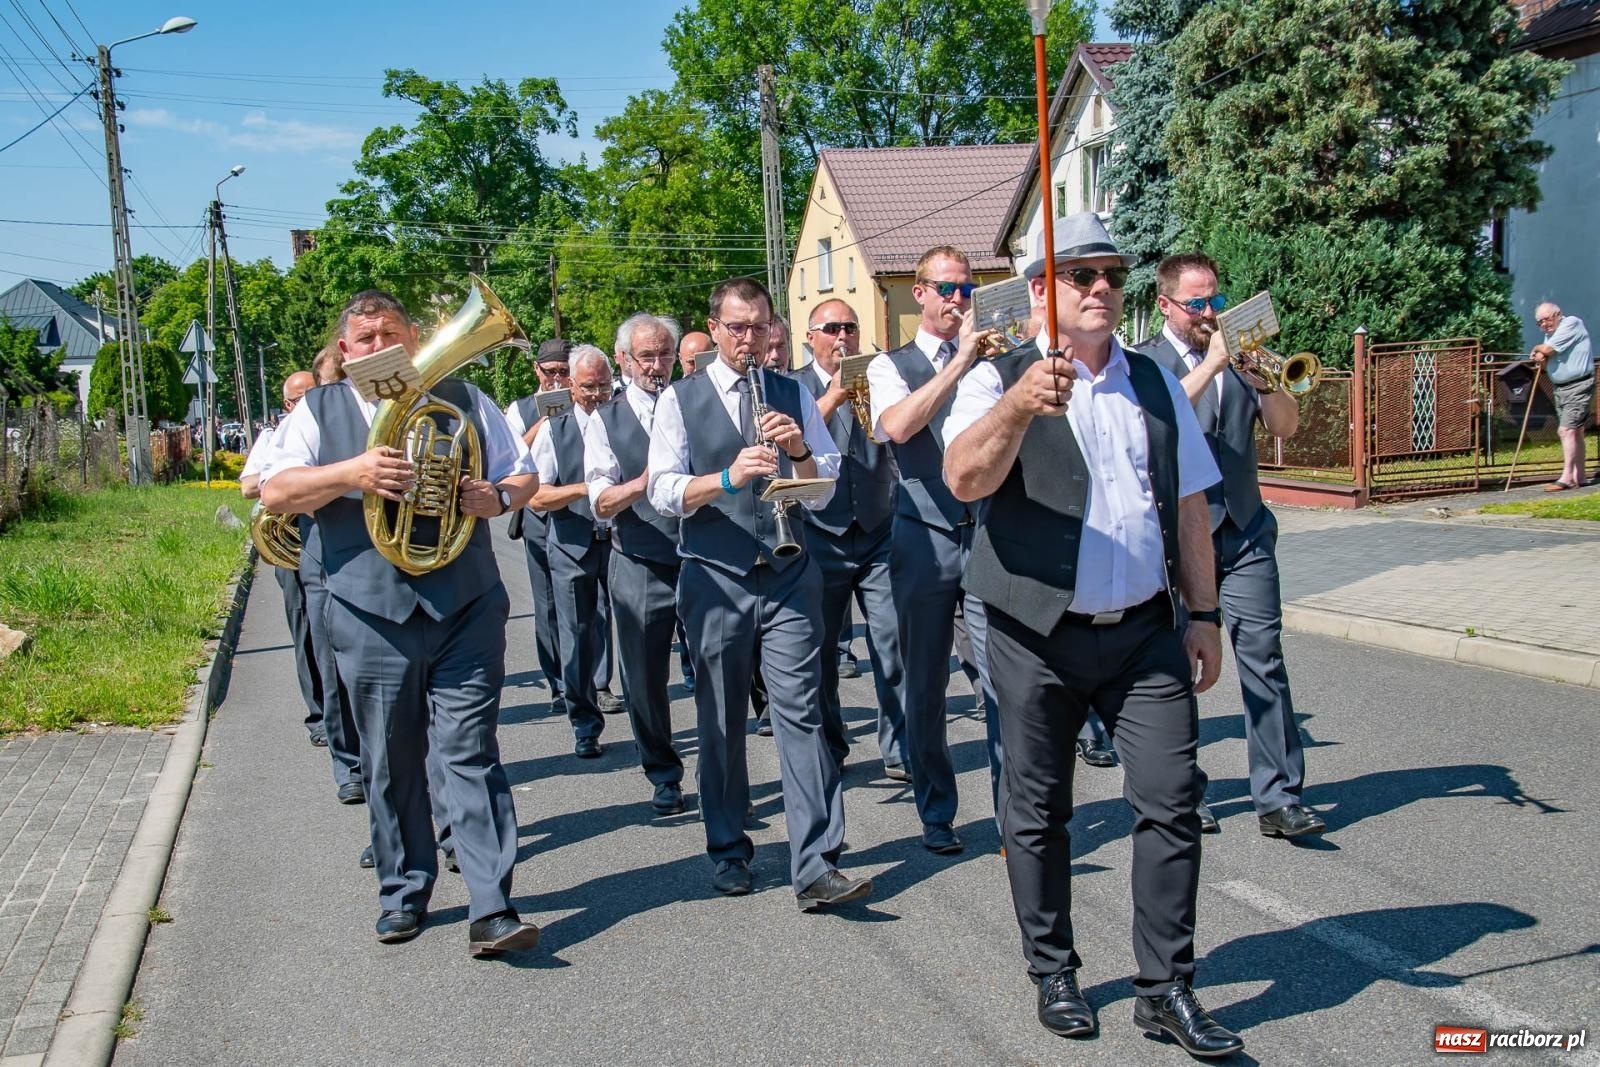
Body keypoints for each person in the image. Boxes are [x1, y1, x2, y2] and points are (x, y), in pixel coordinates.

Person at [942, 214, 1243, 1057]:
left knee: (1171, 799)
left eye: (1111, 271)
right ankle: (1054, 968)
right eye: (1080, 274)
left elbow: (1188, 502)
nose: (1101, 286)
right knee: (1037, 808)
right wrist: (1015, 406)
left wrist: (1206, 614)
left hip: (1145, 629)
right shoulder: (1000, 376)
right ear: (1042, 288)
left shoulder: (1150, 380)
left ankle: (1166, 986)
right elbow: (964, 477)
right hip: (1035, 631)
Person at [261, 289, 541, 957]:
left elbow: (523, 474)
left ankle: (492, 904)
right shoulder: (318, 409)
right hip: (369, 612)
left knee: (470, 751)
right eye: (364, 338)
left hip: (465, 603)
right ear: (344, 352)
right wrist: (352, 471)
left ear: (414, 340)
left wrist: (495, 496)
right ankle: (404, 889)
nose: (379, 346)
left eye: (392, 333)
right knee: (390, 761)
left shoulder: (464, 399)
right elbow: (274, 489)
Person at [647, 276, 870, 910]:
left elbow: (823, 484)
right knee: (720, 717)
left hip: (788, 571)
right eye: (737, 328)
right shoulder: (680, 399)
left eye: (761, 326)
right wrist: (725, 476)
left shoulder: (792, 390)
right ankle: (727, 847)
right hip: (715, 575)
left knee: (800, 713)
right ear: (714, 330)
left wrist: (798, 449)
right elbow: (661, 491)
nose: (751, 340)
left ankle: (818, 862)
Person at [1138, 252, 1324, 839]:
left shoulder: (1242, 357)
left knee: (1264, 659)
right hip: (1176, 536)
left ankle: (1279, 795)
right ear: (1166, 305)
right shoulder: (1144, 364)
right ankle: (1185, 792)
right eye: (1196, 303)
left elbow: (1284, 428)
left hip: (1243, 529)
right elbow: (1152, 424)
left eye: (1215, 300)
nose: (1209, 313)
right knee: (1175, 670)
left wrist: (1265, 381)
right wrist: (1212, 365)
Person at [867, 245, 1002, 856]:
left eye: (966, 290)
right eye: (946, 288)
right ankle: (937, 809)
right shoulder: (887, 365)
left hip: (988, 531)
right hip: (921, 535)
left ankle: (1014, 815)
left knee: (1001, 681)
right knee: (924, 683)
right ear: (918, 293)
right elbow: (897, 427)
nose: (958, 300)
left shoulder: (990, 358)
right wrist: (961, 364)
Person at [788, 297, 907, 778]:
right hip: (821, 533)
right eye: (832, 328)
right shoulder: (793, 386)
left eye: (851, 328)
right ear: (811, 337)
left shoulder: (878, 376)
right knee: (821, 654)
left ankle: (900, 747)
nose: (843, 337)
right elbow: (790, 439)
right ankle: (833, 747)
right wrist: (836, 394)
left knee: (893, 640)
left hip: (877, 527)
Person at [586, 313, 688, 814]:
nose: (656, 365)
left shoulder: (693, 401)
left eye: (664, 354)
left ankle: (724, 772)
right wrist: (645, 481)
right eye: (646, 356)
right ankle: (664, 772)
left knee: (719, 670)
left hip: (699, 554)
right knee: (645, 679)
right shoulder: (605, 419)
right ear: (623, 359)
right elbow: (599, 502)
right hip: (639, 559)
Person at [506, 341, 619, 720]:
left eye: (603, 386)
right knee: (574, 629)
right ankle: (582, 719)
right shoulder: (555, 427)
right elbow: (536, 495)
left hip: (619, 540)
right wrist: (588, 488)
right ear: (573, 386)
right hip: (571, 540)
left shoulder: (621, 418)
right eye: (588, 387)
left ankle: (602, 687)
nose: (597, 395)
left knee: (622, 623)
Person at [1531, 302, 1593, 491]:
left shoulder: (1571, 323)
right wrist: (1539, 358)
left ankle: (1566, 478)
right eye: (1540, 322)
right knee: (1576, 431)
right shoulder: (1550, 334)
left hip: (1578, 386)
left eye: (1547, 319)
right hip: (1561, 388)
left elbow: (1548, 350)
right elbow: (1546, 360)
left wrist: (1538, 349)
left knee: (1566, 430)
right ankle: (1579, 476)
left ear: (1558, 314)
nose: (1544, 325)